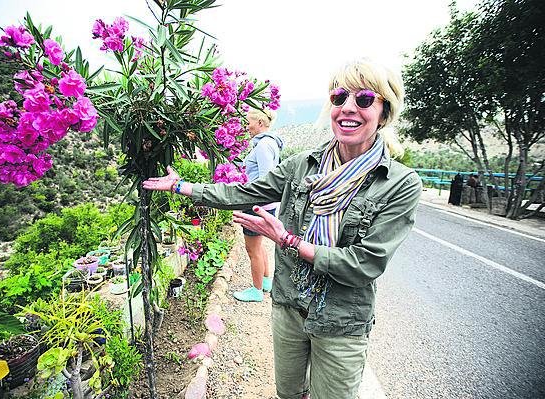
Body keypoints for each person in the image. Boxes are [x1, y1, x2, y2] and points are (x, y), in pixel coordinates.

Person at [143, 58, 422, 399]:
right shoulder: (301, 165)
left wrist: (287, 240)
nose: (348, 108)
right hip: (289, 306)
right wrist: (181, 186)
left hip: (341, 320)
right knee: (289, 393)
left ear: (384, 111)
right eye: (339, 98)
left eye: (364, 99)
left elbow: (365, 264)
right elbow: (242, 192)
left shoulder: (399, 183)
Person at [234, 108, 283, 302]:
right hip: (263, 204)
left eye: (249, 123)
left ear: (260, 123)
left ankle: (256, 290)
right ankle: (266, 281)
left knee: (252, 248)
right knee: (259, 245)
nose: (247, 127)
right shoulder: (270, 143)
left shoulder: (263, 145)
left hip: (256, 203)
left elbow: (265, 179)